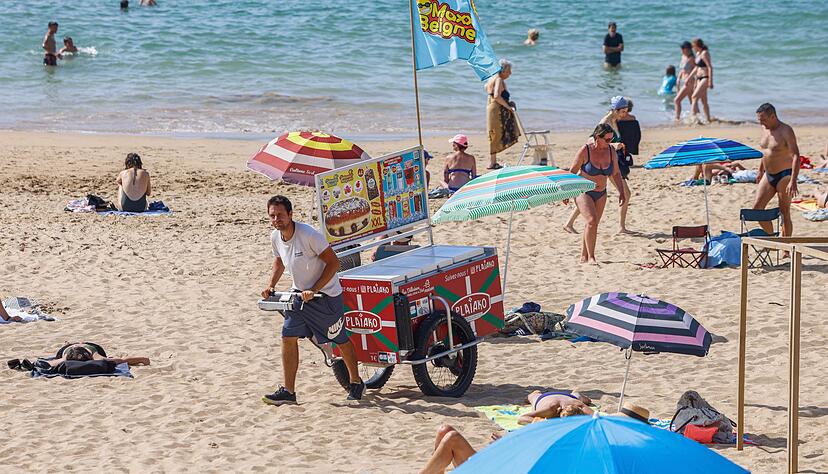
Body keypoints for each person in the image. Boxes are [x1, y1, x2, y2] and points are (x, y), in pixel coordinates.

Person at [261, 195, 364, 405]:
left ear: (290, 214)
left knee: (339, 339)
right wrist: (270, 285)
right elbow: (279, 260)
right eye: (272, 216)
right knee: (287, 338)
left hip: (325, 296)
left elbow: (334, 263)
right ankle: (289, 391)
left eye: (280, 214)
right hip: (299, 296)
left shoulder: (308, 234)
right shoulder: (275, 236)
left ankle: (355, 381)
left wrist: (314, 289)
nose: (276, 219)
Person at [420, 406, 587, 474]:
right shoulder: (545, 429)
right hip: (497, 462)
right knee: (445, 430)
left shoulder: (563, 449)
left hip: (502, 468)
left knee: (452, 438)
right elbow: (524, 419)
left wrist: (503, 446)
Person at [564, 97, 631, 234]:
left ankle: (569, 223)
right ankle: (621, 227)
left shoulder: (614, 120)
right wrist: (614, 145)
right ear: (615, 110)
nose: (625, 114)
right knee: (623, 193)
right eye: (623, 111)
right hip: (601, 164)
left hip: (609, 163)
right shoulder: (605, 122)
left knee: (591, 195)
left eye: (626, 111)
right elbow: (591, 140)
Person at [567, 124, 626, 264]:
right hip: (583, 191)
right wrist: (566, 193)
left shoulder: (611, 151)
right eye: (607, 139)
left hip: (601, 192)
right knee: (592, 220)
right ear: (597, 137)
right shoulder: (585, 150)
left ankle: (584, 255)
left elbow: (616, 173)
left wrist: (621, 192)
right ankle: (592, 257)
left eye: (611, 139)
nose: (610, 142)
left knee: (593, 224)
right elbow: (571, 172)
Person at [752, 103, 800, 237]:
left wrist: (793, 180)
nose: (761, 123)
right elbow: (766, 152)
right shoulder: (764, 128)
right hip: (768, 175)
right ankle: (773, 237)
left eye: (763, 120)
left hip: (784, 175)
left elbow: (796, 155)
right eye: (759, 120)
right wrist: (760, 171)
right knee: (757, 210)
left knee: (784, 212)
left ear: (773, 116)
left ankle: (786, 247)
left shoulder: (786, 130)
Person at [485, 59, 520, 170]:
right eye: (508, 71)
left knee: (493, 133)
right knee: (497, 133)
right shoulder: (499, 79)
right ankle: (492, 163)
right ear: (502, 70)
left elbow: (490, 93)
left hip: (491, 107)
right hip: (497, 109)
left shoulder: (491, 78)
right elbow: (496, 96)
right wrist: (508, 107)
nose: (510, 73)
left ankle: (493, 161)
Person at [690, 38, 713, 123]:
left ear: (697, 45)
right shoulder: (698, 54)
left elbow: (710, 67)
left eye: (693, 46)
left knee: (694, 96)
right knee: (704, 101)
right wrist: (691, 78)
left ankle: (693, 119)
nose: (693, 48)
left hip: (705, 77)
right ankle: (708, 119)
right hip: (699, 78)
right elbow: (697, 68)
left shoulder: (704, 53)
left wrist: (710, 81)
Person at [674, 41, 697, 121]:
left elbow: (697, 69)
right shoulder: (683, 56)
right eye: (682, 48)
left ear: (688, 49)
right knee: (692, 101)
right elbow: (682, 70)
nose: (682, 50)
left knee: (677, 100)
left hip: (689, 82)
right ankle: (697, 118)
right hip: (684, 81)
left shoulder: (692, 58)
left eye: (683, 48)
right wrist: (678, 79)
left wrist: (693, 80)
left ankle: (677, 119)